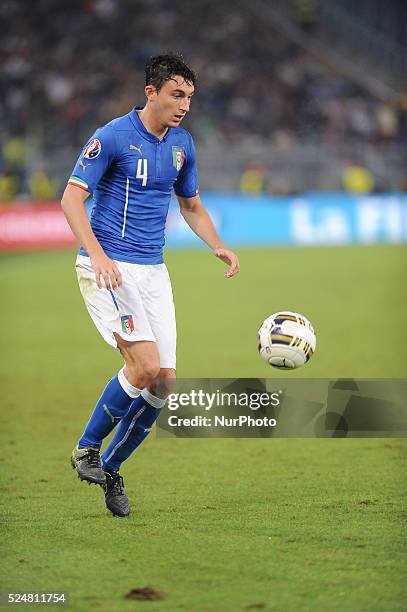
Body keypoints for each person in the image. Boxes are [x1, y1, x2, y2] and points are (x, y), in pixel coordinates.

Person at [61, 54, 240, 517]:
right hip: (109, 266)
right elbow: (71, 199)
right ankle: (86, 447)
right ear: (152, 92)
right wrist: (97, 254)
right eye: (176, 95)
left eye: (189, 98)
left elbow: (192, 207)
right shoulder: (112, 136)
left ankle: (112, 469)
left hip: (153, 271)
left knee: (164, 382)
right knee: (143, 366)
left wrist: (217, 244)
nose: (184, 105)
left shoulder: (182, 144)